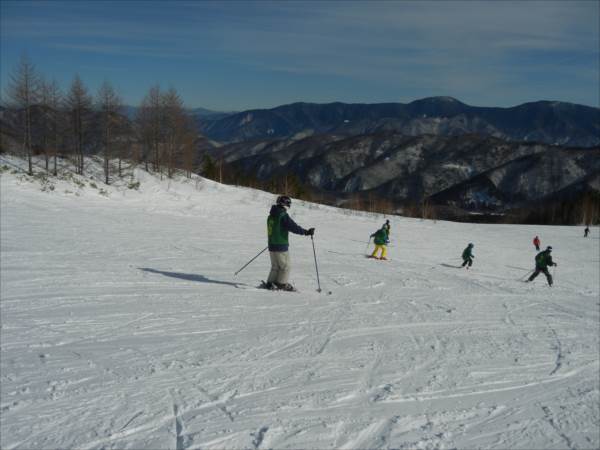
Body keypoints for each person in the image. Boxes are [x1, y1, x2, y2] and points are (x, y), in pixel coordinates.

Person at [265, 195, 314, 291]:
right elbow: (293, 227)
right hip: (280, 245)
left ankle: (270, 283)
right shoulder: (283, 215)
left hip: (272, 245)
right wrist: (306, 232)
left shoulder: (271, 216)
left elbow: (275, 228)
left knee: (275, 266)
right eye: (288, 203)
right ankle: (281, 284)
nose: (289, 206)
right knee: (286, 267)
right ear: (285, 204)